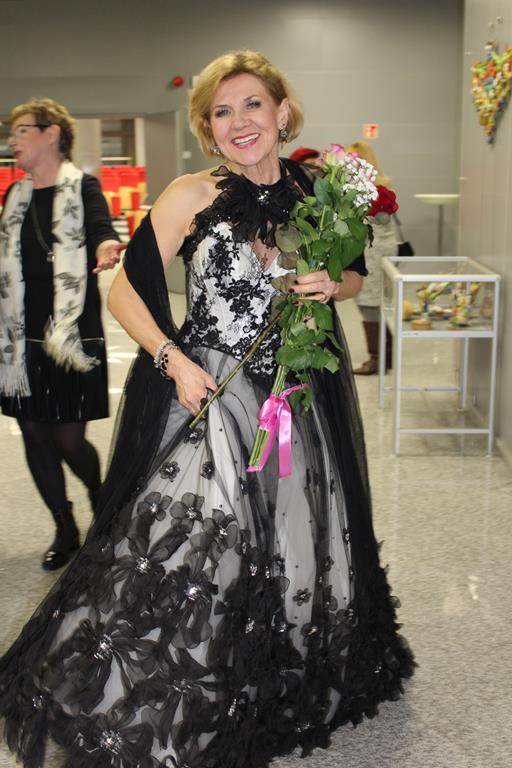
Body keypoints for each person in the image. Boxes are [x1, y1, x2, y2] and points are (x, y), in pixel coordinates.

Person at [0, 54, 413, 768]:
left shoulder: (313, 190)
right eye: (222, 112)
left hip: (294, 395)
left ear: (282, 113)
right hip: (212, 392)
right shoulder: (189, 194)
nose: (239, 122)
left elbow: (351, 273)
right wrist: (173, 359)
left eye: (252, 105)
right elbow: (124, 292)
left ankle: (271, 673)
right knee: (200, 537)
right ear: (208, 128)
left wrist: (332, 284)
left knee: (291, 535)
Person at [0, 98, 124, 570]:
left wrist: (107, 245)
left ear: (51, 134)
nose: (12, 140)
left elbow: (100, 227)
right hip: (22, 337)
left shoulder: (83, 186)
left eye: (21, 130)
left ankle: (100, 499)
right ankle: (64, 526)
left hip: (72, 334)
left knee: (69, 439)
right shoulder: (15, 196)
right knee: (33, 432)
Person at [346, 141, 398, 375]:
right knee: (370, 305)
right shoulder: (357, 188)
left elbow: (383, 220)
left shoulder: (377, 190)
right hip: (368, 252)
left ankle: (378, 358)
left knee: (369, 304)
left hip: (375, 255)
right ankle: (385, 356)